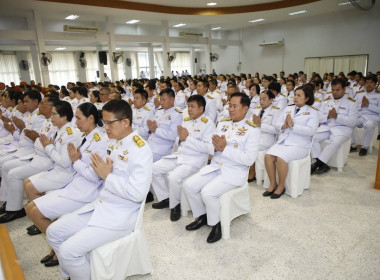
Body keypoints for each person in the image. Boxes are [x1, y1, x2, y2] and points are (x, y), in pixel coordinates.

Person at [46, 99, 153, 280]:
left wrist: (107, 177)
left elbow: (138, 193)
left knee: (67, 251)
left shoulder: (140, 149)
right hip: (101, 205)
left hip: (120, 216)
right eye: (103, 123)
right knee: (53, 233)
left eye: (109, 123)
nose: (105, 128)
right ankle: (74, 274)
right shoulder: (114, 142)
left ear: (125, 122)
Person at [25, 102, 107, 267]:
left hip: (86, 192)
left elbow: (97, 177)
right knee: (30, 208)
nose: (75, 122)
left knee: (35, 213)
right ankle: (59, 251)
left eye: (78, 118)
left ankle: (63, 254)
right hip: (75, 185)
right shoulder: (86, 136)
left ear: (91, 118)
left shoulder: (100, 141)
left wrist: (76, 161)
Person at [183, 92, 260, 243]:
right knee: (189, 186)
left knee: (207, 193)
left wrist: (224, 149)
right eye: (229, 105)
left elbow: (249, 159)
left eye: (235, 106)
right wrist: (216, 148)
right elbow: (212, 146)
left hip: (234, 171)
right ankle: (204, 215)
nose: (230, 109)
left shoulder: (253, 129)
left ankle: (216, 224)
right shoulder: (223, 123)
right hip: (216, 166)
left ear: (245, 109)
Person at [151, 95, 215, 221]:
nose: (189, 109)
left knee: (173, 177)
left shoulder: (208, 124)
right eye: (188, 106)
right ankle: (166, 198)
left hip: (194, 159)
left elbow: (209, 148)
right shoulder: (186, 120)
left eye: (192, 107)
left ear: (201, 108)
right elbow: (178, 140)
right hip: (180, 155)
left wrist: (187, 138)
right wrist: (180, 139)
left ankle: (175, 206)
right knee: (153, 168)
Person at [0, 95, 59, 224]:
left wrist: (34, 137)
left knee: (13, 174)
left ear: (52, 107)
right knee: (6, 167)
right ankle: (10, 202)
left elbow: (46, 145)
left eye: (43, 104)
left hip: (46, 160)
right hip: (36, 155)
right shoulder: (45, 121)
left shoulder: (53, 124)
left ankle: (15, 209)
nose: (40, 107)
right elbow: (37, 141)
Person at [264, 85, 319, 199]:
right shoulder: (288, 108)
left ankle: (281, 186)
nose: (295, 97)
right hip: (284, 141)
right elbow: (277, 124)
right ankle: (273, 183)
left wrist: (293, 125)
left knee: (281, 157)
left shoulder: (312, 112)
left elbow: (311, 131)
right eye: (295, 95)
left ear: (307, 98)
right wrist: (283, 125)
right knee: (268, 156)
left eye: (299, 95)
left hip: (300, 145)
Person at [23, 101, 80, 207]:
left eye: (54, 114)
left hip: (65, 174)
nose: (51, 116)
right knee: (26, 182)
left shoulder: (69, 134)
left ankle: (41, 215)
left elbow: (64, 163)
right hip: (56, 169)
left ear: (64, 117)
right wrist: (48, 147)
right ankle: (40, 214)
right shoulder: (58, 129)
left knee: (29, 187)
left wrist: (48, 147)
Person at [311, 78, 358, 174]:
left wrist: (337, 117)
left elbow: (353, 122)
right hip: (327, 127)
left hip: (342, 129)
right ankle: (322, 163)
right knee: (312, 137)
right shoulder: (326, 100)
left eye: (338, 90)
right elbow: (318, 117)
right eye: (333, 89)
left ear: (344, 89)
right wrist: (328, 116)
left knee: (335, 141)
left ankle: (318, 163)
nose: (335, 92)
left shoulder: (351, 103)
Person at [247, 90, 281, 182]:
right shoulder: (257, 109)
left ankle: (252, 173)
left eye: (264, 99)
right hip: (254, 135)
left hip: (267, 139)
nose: (261, 101)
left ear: (271, 100)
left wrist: (260, 125)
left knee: (250, 146)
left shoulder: (276, 111)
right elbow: (250, 122)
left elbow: (276, 129)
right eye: (260, 99)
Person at [147, 88, 183, 162]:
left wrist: (156, 130)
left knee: (141, 160)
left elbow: (173, 136)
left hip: (161, 149)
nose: (161, 103)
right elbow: (152, 129)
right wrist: (150, 128)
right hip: (149, 144)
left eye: (164, 100)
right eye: (161, 100)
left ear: (172, 100)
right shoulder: (159, 112)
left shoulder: (177, 115)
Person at [350, 75, 380, 156]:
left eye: (371, 83)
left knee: (369, 124)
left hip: (372, 117)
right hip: (360, 116)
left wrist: (368, 105)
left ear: (375, 84)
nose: (369, 85)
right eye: (367, 83)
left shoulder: (378, 95)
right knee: (349, 122)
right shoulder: (359, 94)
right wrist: (362, 105)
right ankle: (353, 145)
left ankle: (364, 147)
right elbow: (354, 106)